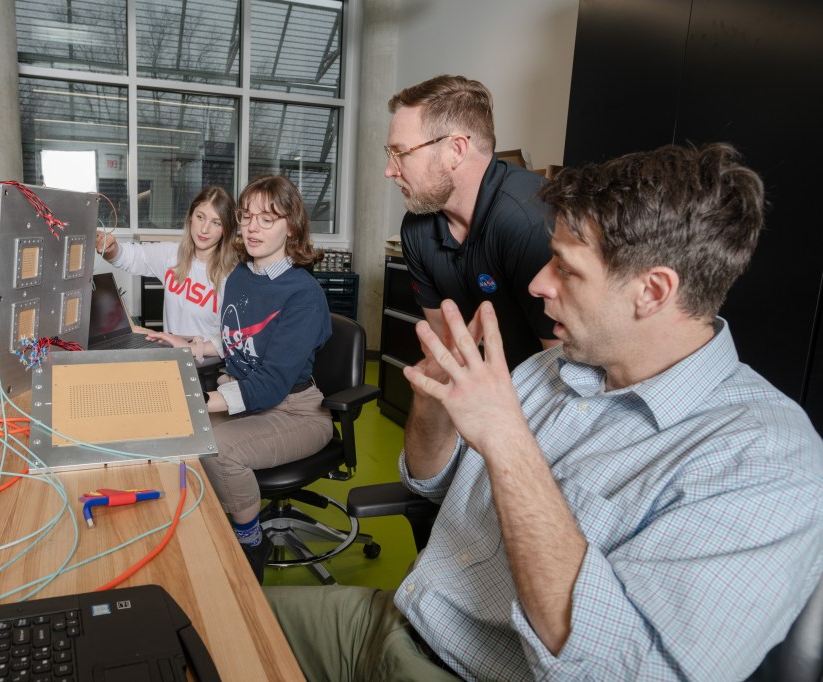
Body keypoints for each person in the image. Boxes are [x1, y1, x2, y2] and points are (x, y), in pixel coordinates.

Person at [267, 143, 823, 681]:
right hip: (398, 620)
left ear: (652, 291)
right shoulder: (549, 370)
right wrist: (434, 406)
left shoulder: (767, 460)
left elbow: (621, 670)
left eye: (565, 268)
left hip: (470, 670)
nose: (537, 285)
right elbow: (430, 483)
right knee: (193, 627)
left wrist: (508, 441)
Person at [150, 175, 333, 580]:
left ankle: (251, 541)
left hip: (296, 412)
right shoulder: (240, 276)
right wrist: (188, 344)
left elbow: (269, 384)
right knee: (173, 433)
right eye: (247, 216)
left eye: (267, 219)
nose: (252, 227)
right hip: (246, 397)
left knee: (215, 446)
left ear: (293, 226)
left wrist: (199, 401)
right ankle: (204, 525)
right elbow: (235, 341)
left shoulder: (302, 294)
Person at [386, 74, 558, 369]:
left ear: (456, 150)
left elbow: (561, 368)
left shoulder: (527, 221)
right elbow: (448, 346)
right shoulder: (416, 228)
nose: (390, 170)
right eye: (390, 154)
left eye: (401, 153)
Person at [94, 186, 237, 344]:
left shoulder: (234, 276)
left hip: (208, 365)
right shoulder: (172, 255)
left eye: (216, 223)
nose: (204, 229)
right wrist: (110, 247)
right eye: (200, 217)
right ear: (190, 218)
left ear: (226, 229)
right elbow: (130, 256)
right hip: (173, 356)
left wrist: (170, 341)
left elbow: (231, 342)